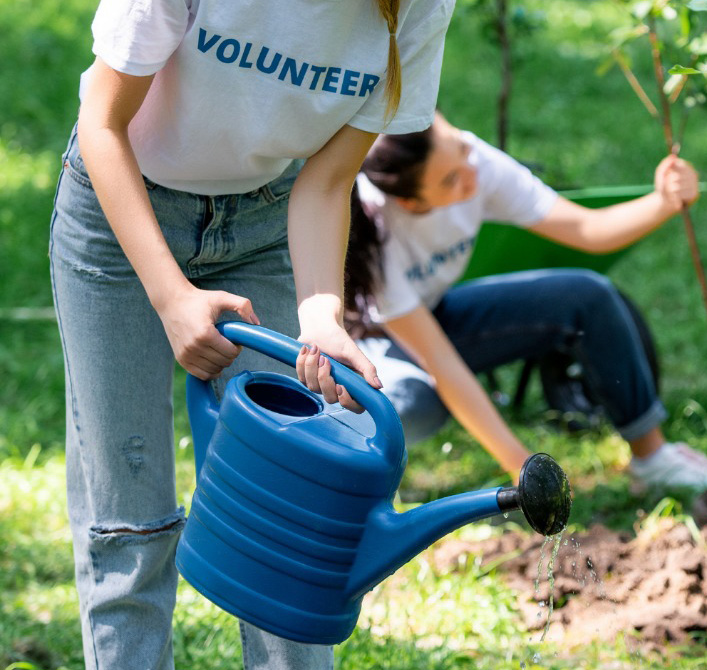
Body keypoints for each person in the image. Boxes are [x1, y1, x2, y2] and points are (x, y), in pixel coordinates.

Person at [49, 0, 455, 666]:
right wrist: (170, 294)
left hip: (265, 226)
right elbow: (102, 119)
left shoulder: (416, 6)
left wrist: (320, 311)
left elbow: (326, 181)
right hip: (119, 216)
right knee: (130, 524)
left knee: (294, 521)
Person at [344, 113, 707, 491]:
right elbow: (440, 363)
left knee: (587, 296)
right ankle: (344, 470)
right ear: (411, 202)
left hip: (434, 311)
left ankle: (653, 459)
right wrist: (523, 470)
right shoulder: (375, 228)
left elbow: (586, 228)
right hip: (373, 344)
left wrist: (664, 201)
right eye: (450, 180)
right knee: (412, 405)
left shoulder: (469, 161)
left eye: (462, 148)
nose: (472, 173)